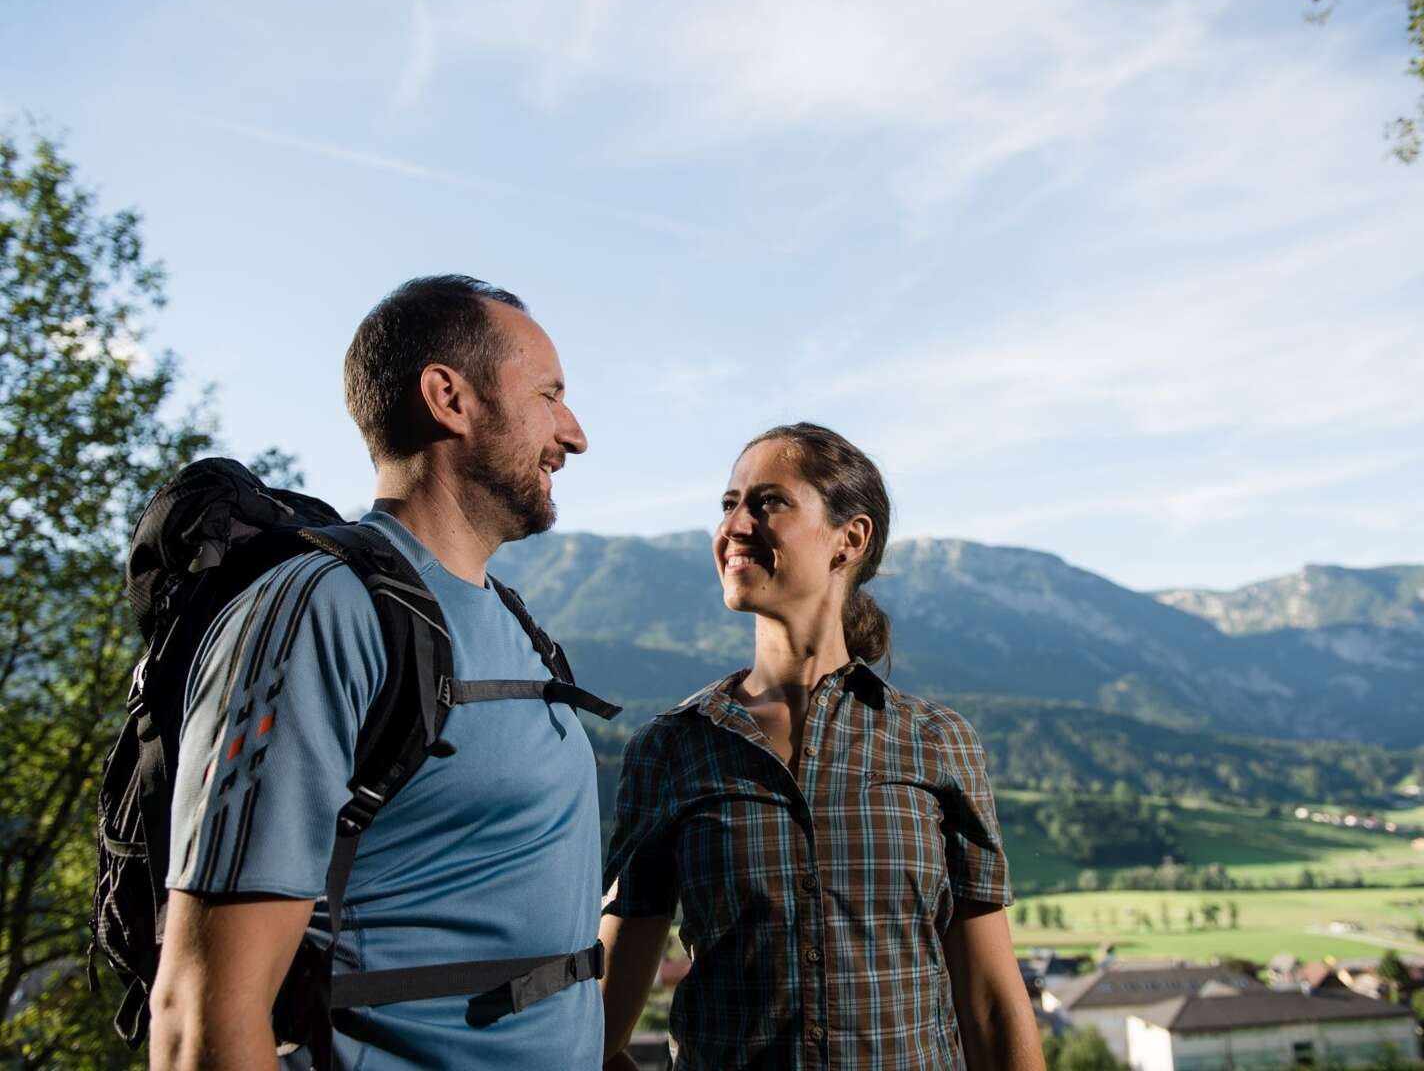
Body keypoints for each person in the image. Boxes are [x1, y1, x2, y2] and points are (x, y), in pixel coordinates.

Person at [148, 276, 605, 1070]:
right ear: (449, 398)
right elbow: (200, 1017)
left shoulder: (517, 624)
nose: (574, 432)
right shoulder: (319, 612)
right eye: (549, 394)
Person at [599, 423, 1043, 1070]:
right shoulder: (671, 749)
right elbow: (602, 1015)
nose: (735, 527)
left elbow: (994, 1009)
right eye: (729, 505)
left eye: (768, 502)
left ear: (850, 539)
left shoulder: (936, 743)